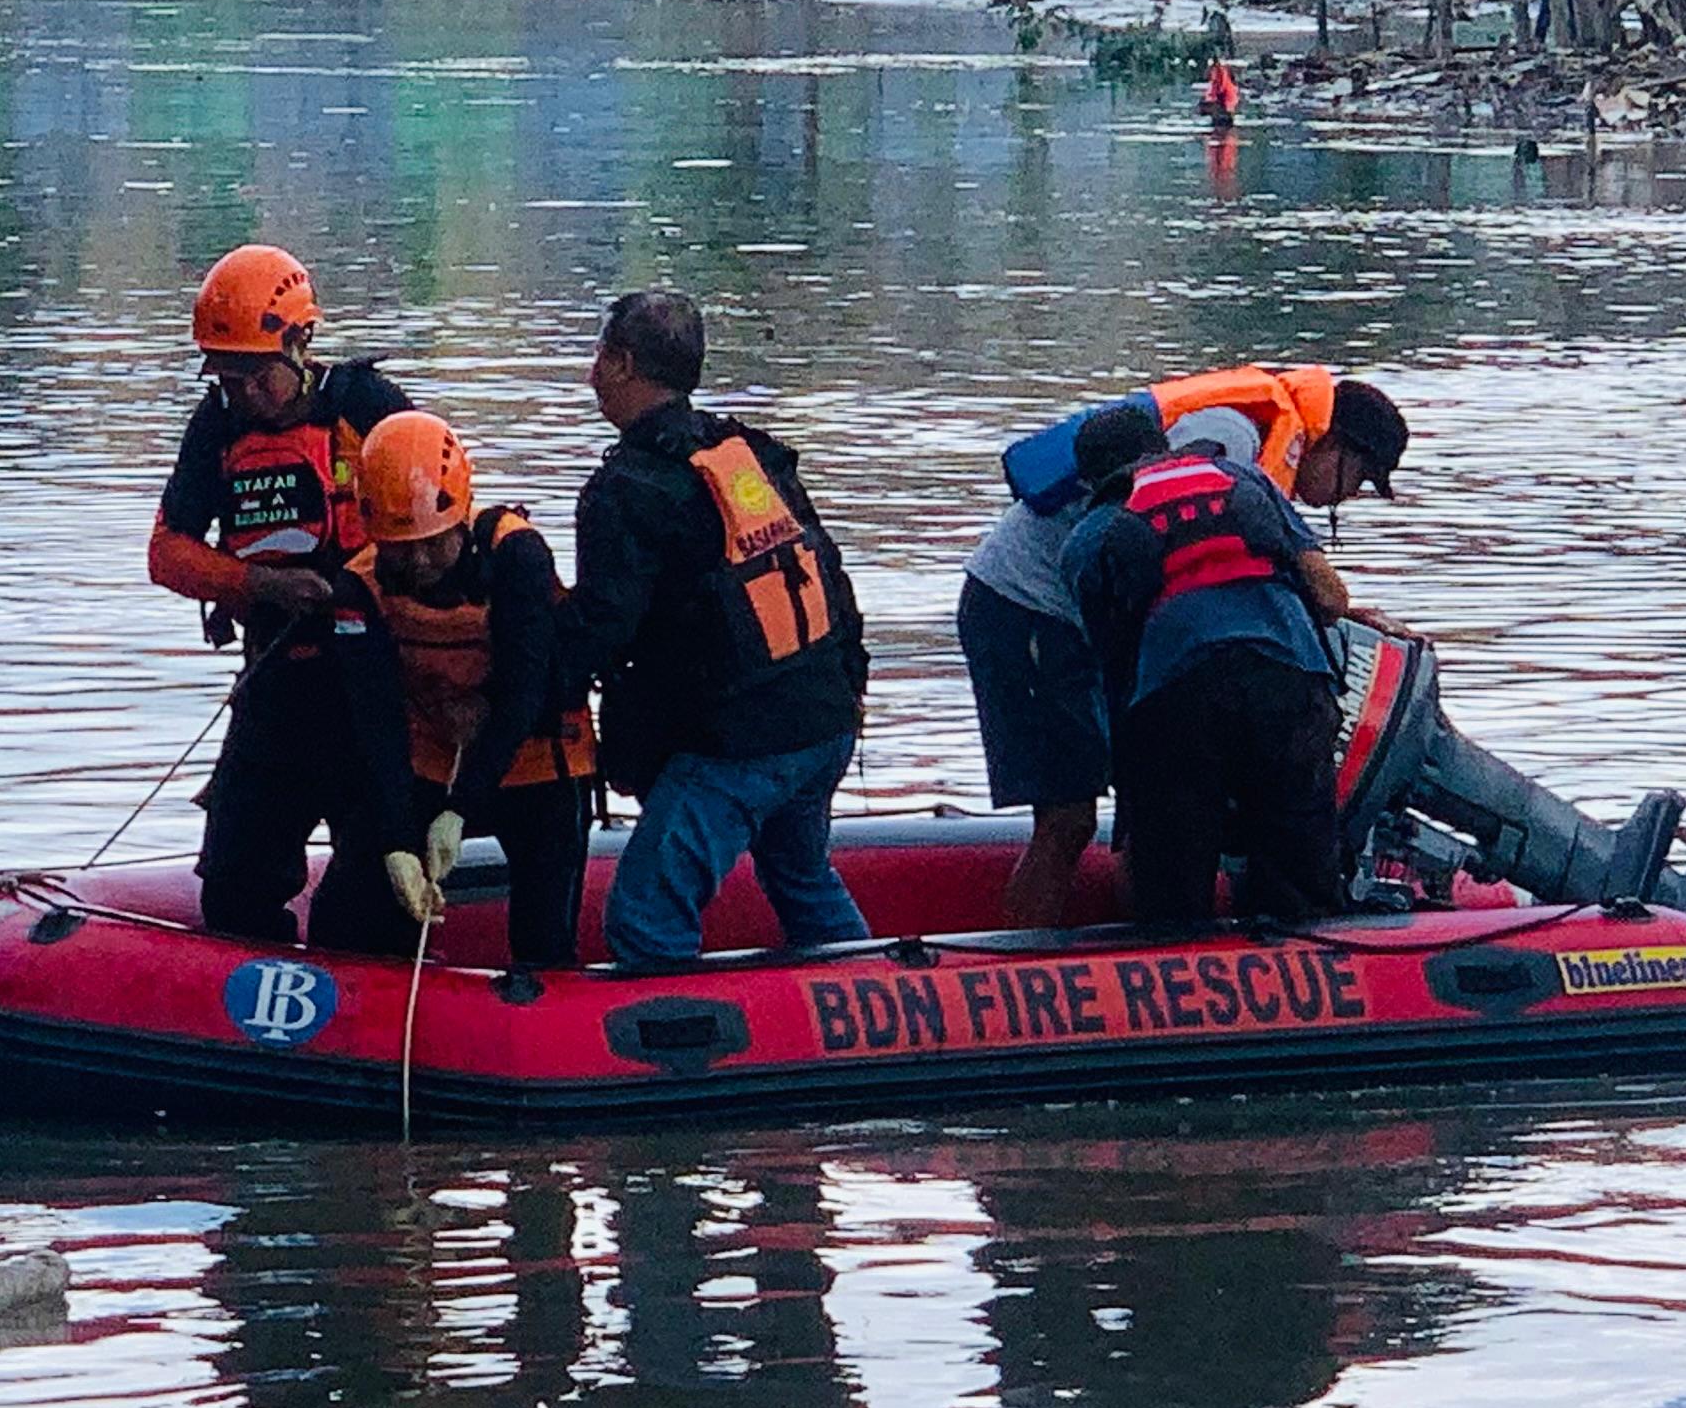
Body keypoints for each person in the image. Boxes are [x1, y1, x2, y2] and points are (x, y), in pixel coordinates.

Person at [958, 367, 1411, 925]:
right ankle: (1026, 977)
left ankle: (1155, 937)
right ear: (1334, 445)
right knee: (1069, 818)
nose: (1341, 501)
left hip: (1126, 618)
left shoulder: (1247, 456)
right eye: (1357, 481)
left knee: (1147, 790)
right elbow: (1167, 547)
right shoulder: (1231, 442)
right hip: (1030, 609)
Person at [562, 290, 872, 974]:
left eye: (598, 354)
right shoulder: (746, 453)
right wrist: (852, 685)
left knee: (644, 916)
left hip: (740, 744)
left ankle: (674, 1064)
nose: (591, 372)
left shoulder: (626, 490)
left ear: (620, 362)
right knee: (803, 878)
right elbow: (828, 571)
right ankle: (862, 999)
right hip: (823, 717)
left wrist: (518, 668)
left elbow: (602, 627)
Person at [149, 243, 421, 950]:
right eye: (226, 377)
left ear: (302, 344)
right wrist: (253, 584)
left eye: (255, 377)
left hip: (372, 690)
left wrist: (346, 584)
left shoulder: (369, 409)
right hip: (275, 681)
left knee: (367, 898)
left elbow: (438, 530)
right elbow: (167, 551)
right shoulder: (217, 426)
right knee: (236, 883)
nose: (241, 394)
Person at [1063, 415, 1366, 929]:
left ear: (1093, 482)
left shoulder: (1090, 537)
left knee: (1173, 889)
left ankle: (1179, 971)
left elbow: (1112, 666)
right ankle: (1317, 972)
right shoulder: (1242, 479)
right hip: (1289, 681)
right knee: (1302, 877)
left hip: (1176, 693)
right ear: (1163, 446)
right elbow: (1330, 596)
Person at [345, 412, 599, 976]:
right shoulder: (360, 584)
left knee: (543, 937)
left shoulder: (517, 556)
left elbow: (525, 689)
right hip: (430, 760)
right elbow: (375, 715)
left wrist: (461, 809)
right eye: (401, 547)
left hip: (538, 763)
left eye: (433, 545)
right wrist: (396, 838)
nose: (418, 563)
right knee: (362, 904)